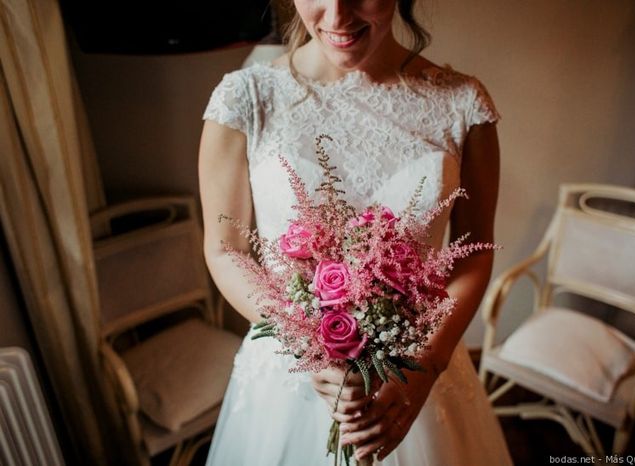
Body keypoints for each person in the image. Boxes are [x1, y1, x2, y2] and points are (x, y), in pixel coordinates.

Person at [198, 0, 513, 464]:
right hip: (290, 377)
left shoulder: (463, 104)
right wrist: (308, 339)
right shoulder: (243, 99)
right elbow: (226, 250)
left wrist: (425, 368)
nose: (338, 17)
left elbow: (473, 254)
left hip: (416, 369)